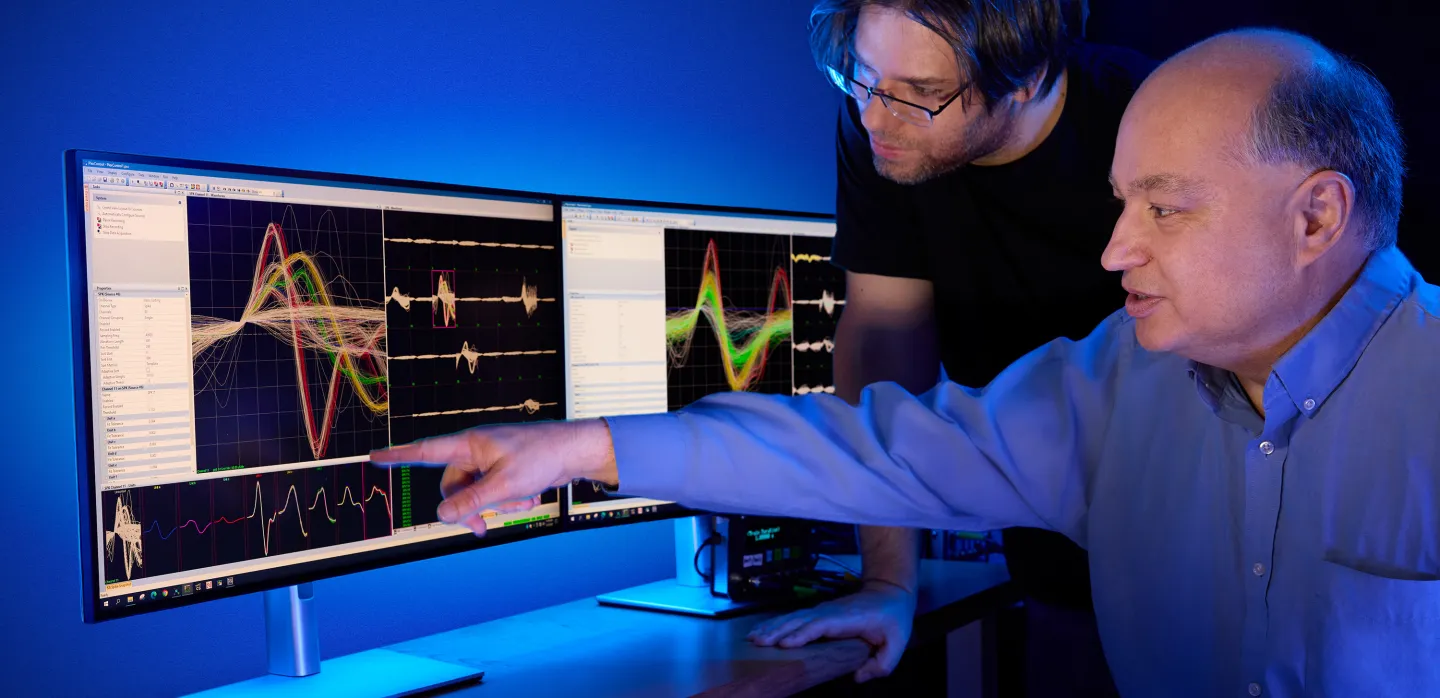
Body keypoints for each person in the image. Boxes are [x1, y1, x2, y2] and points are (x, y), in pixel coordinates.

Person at [372, 27, 1433, 697]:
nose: (1114, 250)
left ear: (1316, 217)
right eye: (1119, 203)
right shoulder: (1121, 383)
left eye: (1165, 209)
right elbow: (881, 446)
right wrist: (587, 446)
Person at [776, 0, 1156, 689]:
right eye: (861, 76)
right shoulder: (883, 126)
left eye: (921, 93)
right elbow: (885, 343)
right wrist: (888, 580)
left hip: (1202, 552)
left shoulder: (1152, 122)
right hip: (1051, 564)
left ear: (1027, 79)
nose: (874, 118)